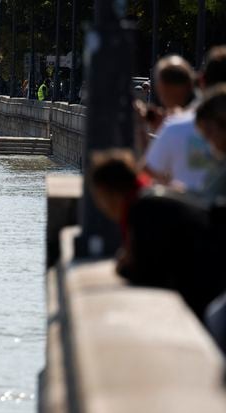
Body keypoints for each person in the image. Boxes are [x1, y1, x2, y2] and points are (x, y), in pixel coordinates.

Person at [90, 149, 226, 318]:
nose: (100, 205)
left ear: (109, 192)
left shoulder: (143, 209)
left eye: (98, 197)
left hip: (213, 283)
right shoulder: (149, 198)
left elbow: (149, 272)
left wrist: (124, 267)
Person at [143, 46, 226, 191]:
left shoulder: (178, 127)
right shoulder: (176, 125)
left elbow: (148, 174)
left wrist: (141, 132)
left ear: (201, 81)